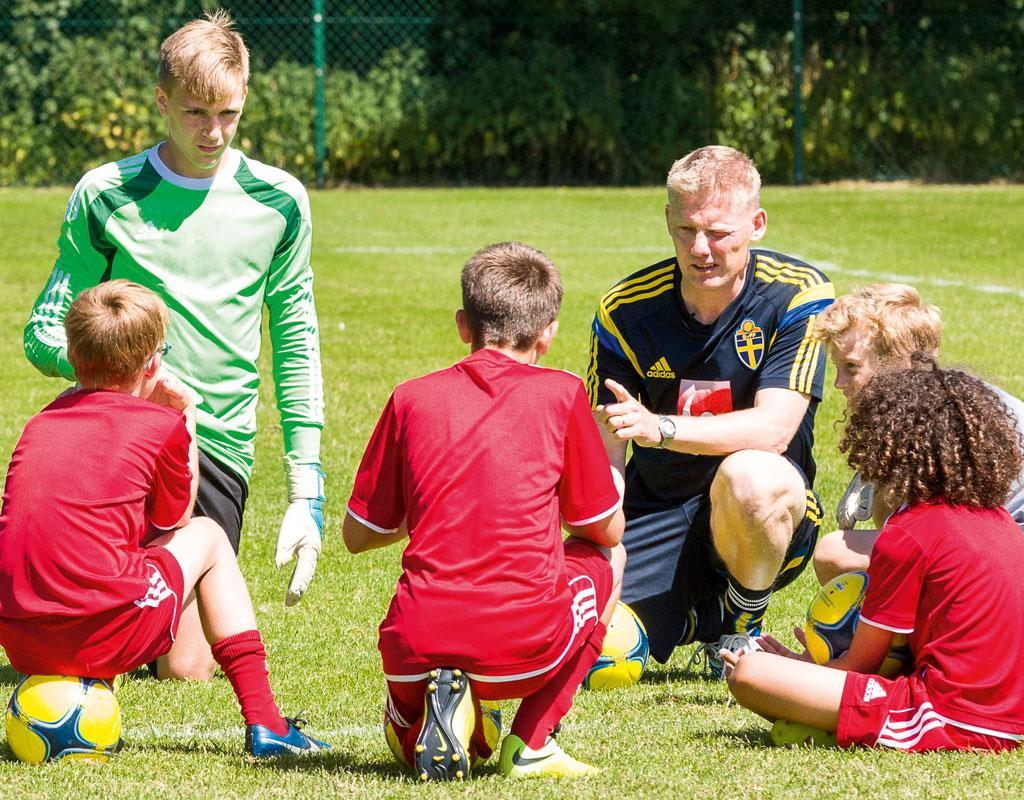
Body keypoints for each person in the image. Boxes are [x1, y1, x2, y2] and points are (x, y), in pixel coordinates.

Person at [22, 11, 325, 681]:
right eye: (194, 112)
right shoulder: (105, 193)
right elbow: (43, 331)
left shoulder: (279, 202)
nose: (212, 132)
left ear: (245, 98)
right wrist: (128, 375)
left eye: (228, 113)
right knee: (102, 650)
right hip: (110, 441)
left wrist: (307, 488)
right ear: (160, 102)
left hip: (213, 446)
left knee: (183, 669)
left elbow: (297, 340)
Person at [0, 282, 327, 757]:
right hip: (103, 632)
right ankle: (267, 722)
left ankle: (89, 670)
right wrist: (186, 416)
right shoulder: (160, 425)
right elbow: (174, 517)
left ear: (72, 355)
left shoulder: (40, 422)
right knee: (210, 536)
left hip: (21, 641)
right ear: (154, 363)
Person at [343, 242, 626, 781]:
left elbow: (358, 535)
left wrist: (429, 504)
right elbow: (603, 529)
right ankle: (532, 742)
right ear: (548, 332)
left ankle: (417, 715)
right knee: (612, 558)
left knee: (418, 739)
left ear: (461, 325)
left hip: (414, 641)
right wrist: (611, 477)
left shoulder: (411, 397)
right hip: (523, 646)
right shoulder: (564, 393)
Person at [587, 145, 832, 675]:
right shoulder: (625, 310)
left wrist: (662, 428)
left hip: (766, 508)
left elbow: (774, 429)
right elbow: (605, 441)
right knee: (585, 639)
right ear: (668, 220)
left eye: (719, 233)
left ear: (757, 224)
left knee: (749, 475)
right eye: (686, 230)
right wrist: (602, 543)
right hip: (659, 504)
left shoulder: (797, 295)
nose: (700, 248)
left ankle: (743, 624)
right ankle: (703, 616)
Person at [723, 361, 1024, 753]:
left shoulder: (908, 534)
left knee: (748, 673)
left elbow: (860, 665)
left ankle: (828, 723)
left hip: (949, 717)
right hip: (1013, 715)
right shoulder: (1001, 521)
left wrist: (798, 670)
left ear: (886, 447)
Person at [811, 283, 1024, 585]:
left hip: (1008, 561)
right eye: (837, 366)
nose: (838, 382)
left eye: (851, 367)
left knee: (836, 555)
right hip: (996, 548)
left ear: (903, 361)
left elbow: (947, 531)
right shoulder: (939, 398)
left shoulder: (939, 420)